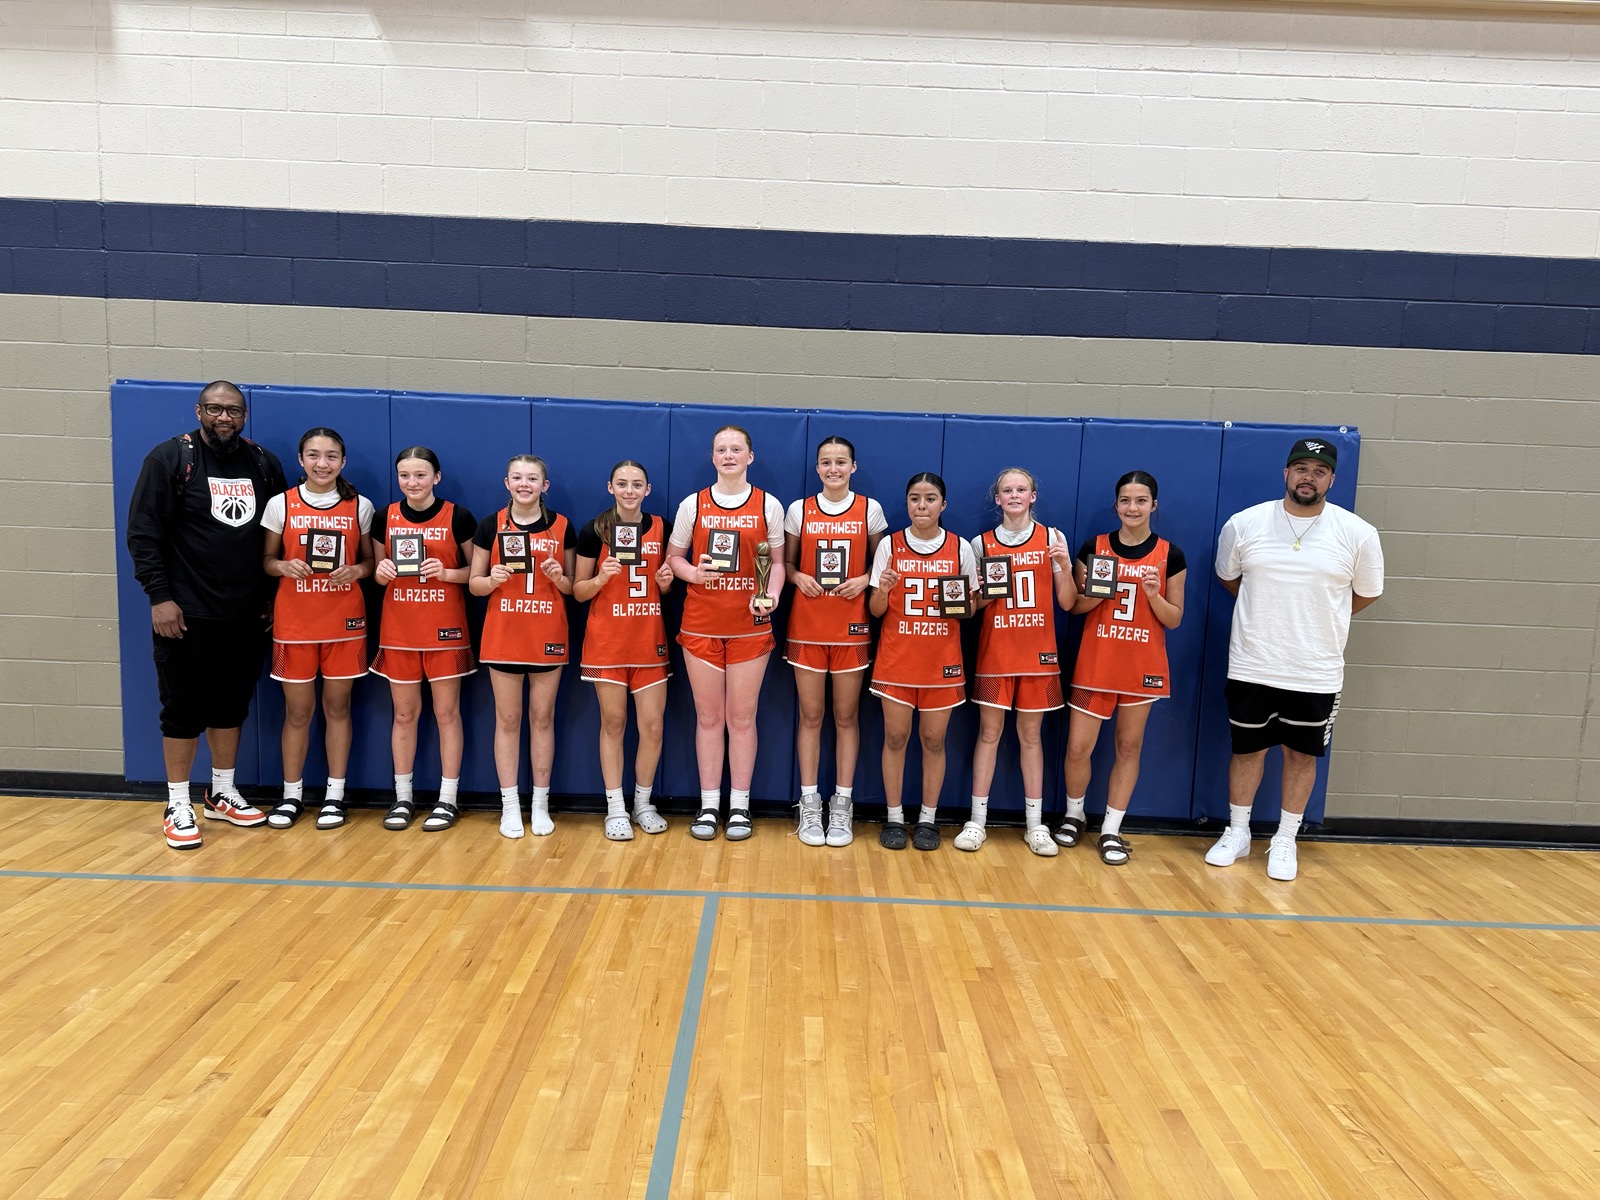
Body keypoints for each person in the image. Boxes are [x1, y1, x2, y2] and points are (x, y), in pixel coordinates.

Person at [1208, 438, 1384, 881]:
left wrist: (1316, 621)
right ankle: (1239, 831)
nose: (1309, 476)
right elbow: (1230, 578)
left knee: (1301, 757)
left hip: (1315, 669)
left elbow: (1365, 594)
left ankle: (1285, 839)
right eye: (1301, 468)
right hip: (1252, 663)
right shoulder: (1244, 524)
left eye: (1319, 470)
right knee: (1247, 752)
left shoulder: (1357, 533)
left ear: (1332, 479)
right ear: (1286, 474)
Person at [126, 381, 287, 849]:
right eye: (215, 408)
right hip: (186, 611)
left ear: (244, 415)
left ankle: (222, 792)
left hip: (246, 613)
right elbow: (143, 533)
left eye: (233, 410)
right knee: (183, 708)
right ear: (198, 410)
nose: (224, 417)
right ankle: (178, 801)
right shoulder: (170, 458)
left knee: (231, 705)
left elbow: (277, 536)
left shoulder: (263, 463)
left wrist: (273, 597)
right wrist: (160, 597)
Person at [666, 425, 787, 841]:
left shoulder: (769, 504)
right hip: (701, 624)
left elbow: (779, 564)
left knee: (741, 717)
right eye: (722, 449)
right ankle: (708, 806)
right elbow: (674, 559)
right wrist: (693, 573)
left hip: (749, 627)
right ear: (712, 457)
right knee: (709, 717)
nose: (729, 455)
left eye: (737, 449)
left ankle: (739, 807)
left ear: (750, 457)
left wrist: (770, 596)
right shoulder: (692, 505)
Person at [1060, 470, 1187, 866]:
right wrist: (1097, 596)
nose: (1133, 508)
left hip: (1142, 665)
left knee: (1128, 746)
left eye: (1141, 500)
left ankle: (1112, 828)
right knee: (1079, 746)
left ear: (1154, 505)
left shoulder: (1171, 554)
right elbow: (1074, 607)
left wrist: (1153, 595)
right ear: (1116, 505)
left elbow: (1174, 618)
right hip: (1096, 663)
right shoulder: (1093, 547)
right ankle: (1074, 814)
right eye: (1126, 501)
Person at [261, 428, 377, 830]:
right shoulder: (281, 504)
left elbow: (369, 564)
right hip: (295, 622)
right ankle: (291, 795)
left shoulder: (360, 505)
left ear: (342, 462)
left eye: (330, 456)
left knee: (337, 707)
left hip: (344, 621)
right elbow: (267, 561)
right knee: (297, 711)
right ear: (300, 459)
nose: (322, 463)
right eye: (314, 455)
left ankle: (334, 795)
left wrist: (355, 572)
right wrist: (283, 567)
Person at [962, 468, 1076, 856]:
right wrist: (979, 597)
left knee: (1031, 737)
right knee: (989, 735)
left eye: (1021, 489)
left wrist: (1062, 564)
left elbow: (1068, 602)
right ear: (997, 499)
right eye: (1006, 490)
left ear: (1033, 496)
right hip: (996, 655)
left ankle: (1035, 824)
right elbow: (972, 606)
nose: (1014, 495)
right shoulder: (981, 543)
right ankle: (977, 821)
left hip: (1038, 657)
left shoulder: (1053, 538)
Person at [783, 436, 886, 848]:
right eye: (826, 462)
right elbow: (786, 563)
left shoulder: (869, 509)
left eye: (841, 461)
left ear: (853, 467)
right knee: (811, 716)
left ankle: (842, 804)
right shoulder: (799, 510)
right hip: (807, 625)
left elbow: (884, 561)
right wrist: (796, 577)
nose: (833, 469)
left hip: (851, 626)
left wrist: (864, 579)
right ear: (817, 468)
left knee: (846, 717)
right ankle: (810, 802)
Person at [868, 472, 979, 851]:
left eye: (930, 499)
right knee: (895, 737)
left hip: (941, 661)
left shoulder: (960, 548)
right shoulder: (890, 546)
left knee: (933, 740)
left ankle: (928, 819)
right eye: (915, 498)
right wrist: (882, 589)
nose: (922, 506)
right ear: (907, 503)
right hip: (897, 659)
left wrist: (962, 602)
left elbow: (970, 610)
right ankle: (895, 816)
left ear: (943, 505)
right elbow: (875, 609)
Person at [369, 447, 477, 831]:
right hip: (399, 631)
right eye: (404, 475)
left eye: (420, 475)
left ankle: (448, 799)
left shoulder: (458, 516)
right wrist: (381, 571)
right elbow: (378, 576)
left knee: (447, 714)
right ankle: (402, 798)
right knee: (403, 714)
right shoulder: (385, 516)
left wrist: (446, 573)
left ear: (437, 477)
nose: (411, 483)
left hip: (444, 630)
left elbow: (477, 575)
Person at [469, 454, 577, 839]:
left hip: (547, 632)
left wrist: (558, 576)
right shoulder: (490, 525)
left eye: (532, 478)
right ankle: (510, 805)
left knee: (542, 718)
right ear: (507, 482)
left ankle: (541, 804)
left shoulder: (563, 525)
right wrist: (492, 579)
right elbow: (474, 584)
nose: (524, 484)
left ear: (544, 486)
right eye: (517, 477)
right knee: (508, 720)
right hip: (504, 635)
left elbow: (573, 588)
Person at [573, 459, 675, 840]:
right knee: (613, 724)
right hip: (607, 644)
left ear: (647, 490)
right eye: (622, 484)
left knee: (652, 726)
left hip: (648, 641)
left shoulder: (660, 527)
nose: (629, 491)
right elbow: (578, 591)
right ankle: (615, 807)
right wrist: (601, 577)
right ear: (610, 487)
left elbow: (665, 585)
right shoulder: (594, 530)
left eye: (637, 485)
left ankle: (643, 803)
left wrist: (664, 583)